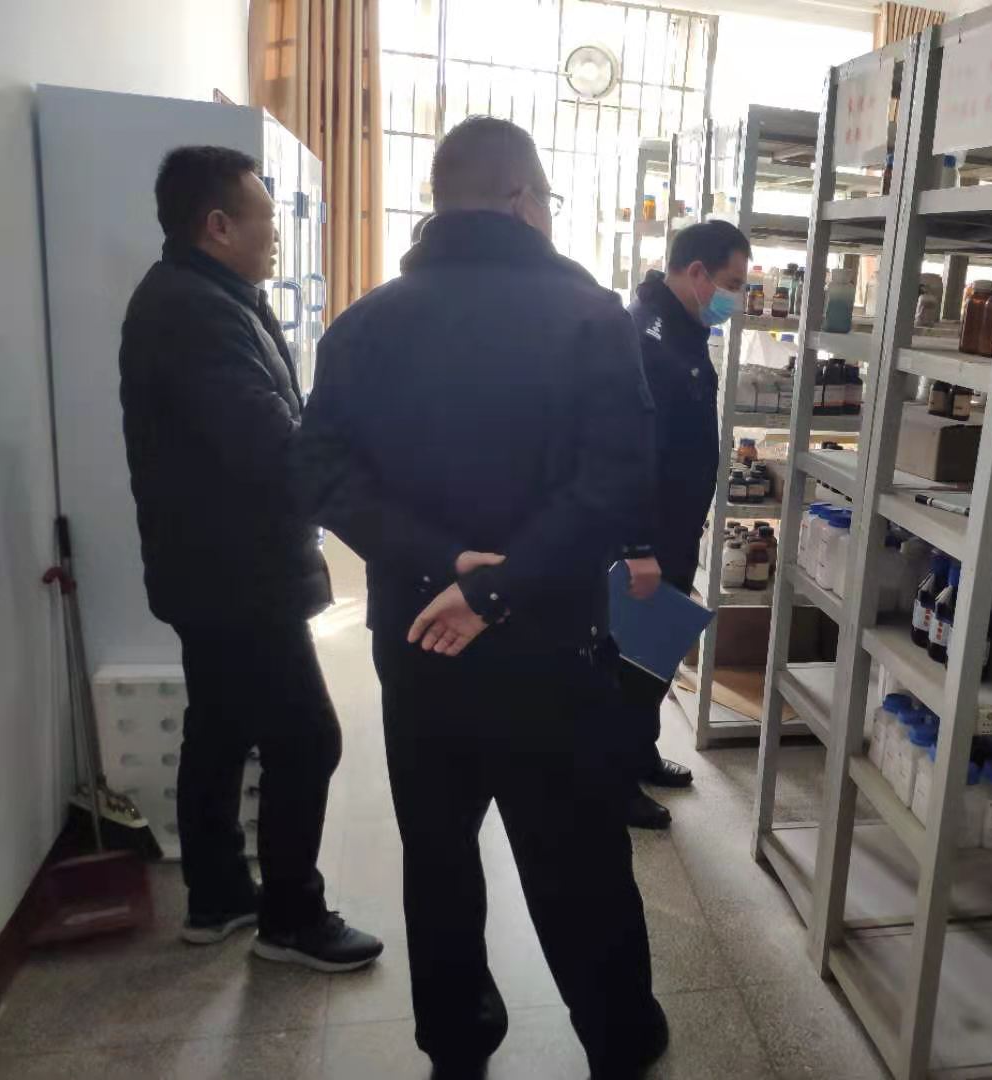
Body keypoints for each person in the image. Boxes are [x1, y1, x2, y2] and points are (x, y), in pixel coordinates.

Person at [296, 117, 668, 1079]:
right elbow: (616, 485)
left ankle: (457, 1045)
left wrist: (442, 565)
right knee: (578, 860)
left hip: (419, 643)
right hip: (549, 647)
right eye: (547, 197)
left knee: (438, 854)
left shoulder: (362, 324)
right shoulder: (590, 317)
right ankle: (619, 1040)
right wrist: (497, 588)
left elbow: (323, 476)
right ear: (522, 198)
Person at [117, 146, 382, 971]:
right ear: (218, 225)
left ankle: (220, 895)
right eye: (265, 217)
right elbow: (269, 442)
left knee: (221, 726)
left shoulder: (207, 296)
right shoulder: (194, 311)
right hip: (237, 577)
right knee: (308, 738)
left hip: (211, 568)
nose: (276, 233)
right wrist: (375, 511)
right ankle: (292, 920)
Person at [621, 221, 752, 830]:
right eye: (731, 283)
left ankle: (638, 754)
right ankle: (613, 781)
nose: (735, 298)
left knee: (653, 655)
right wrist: (639, 545)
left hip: (676, 525)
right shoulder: (648, 336)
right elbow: (632, 451)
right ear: (697, 272)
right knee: (630, 662)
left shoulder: (683, 326)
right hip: (652, 533)